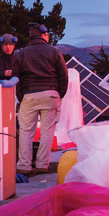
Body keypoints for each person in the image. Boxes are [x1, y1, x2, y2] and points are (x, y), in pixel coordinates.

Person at [12, 22, 68, 176]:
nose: (49, 36)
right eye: (47, 33)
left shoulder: (21, 54)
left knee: (25, 132)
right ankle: (42, 165)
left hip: (29, 95)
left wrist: (22, 97)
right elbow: (63, 75)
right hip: (50, 94)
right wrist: (59, 94)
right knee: (47, 132)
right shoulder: (54, 52)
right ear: (43, 34)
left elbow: (17, 78)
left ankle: (24, 166)